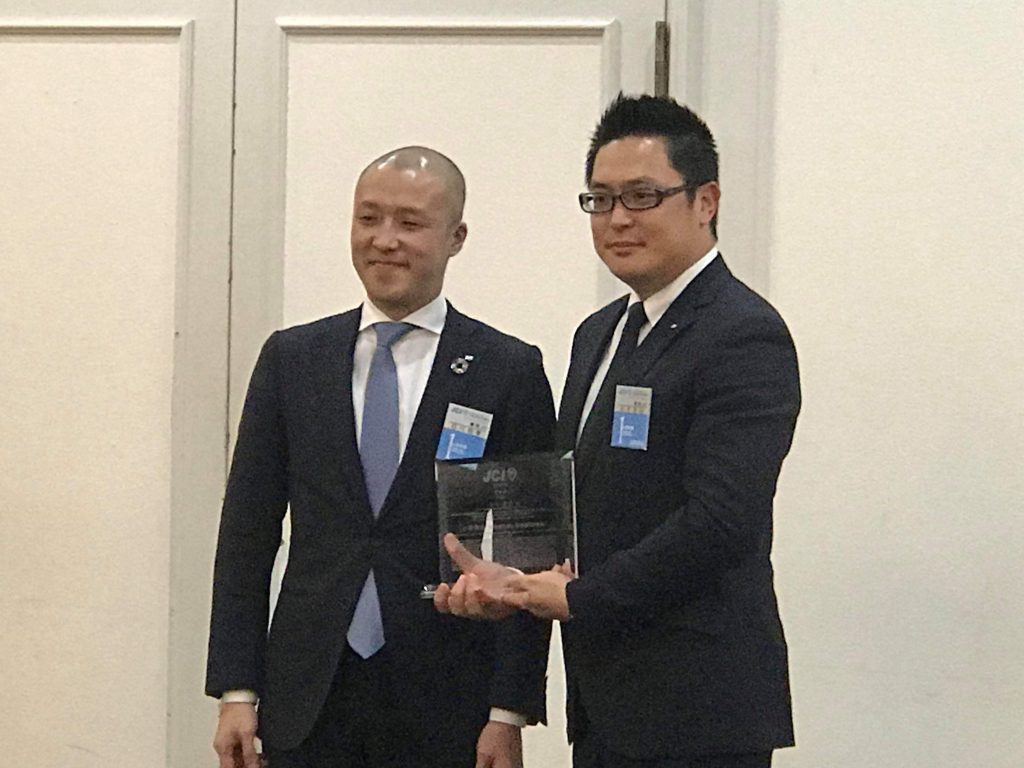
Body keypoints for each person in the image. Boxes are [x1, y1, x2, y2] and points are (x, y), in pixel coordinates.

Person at [436, 94, 801, 768]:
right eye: (600, 200)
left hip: (699, 710)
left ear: (706, 201)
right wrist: (510, 580)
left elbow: (721, 522)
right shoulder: (600, 333)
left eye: (642, 196)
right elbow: (573, 499)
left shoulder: (743, 333)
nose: (618, 219)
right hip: (606, 702)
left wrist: (578, 598)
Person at [206, 146, 555, 768]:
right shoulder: (292, 360)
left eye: (410, 223)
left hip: (448, 695)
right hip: (307, 692)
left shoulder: (507, 369)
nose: (384, 240)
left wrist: (509, 710)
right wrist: (236, 689)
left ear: (456, 238)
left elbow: (530, 553)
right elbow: (246, 534)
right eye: (368, 219)